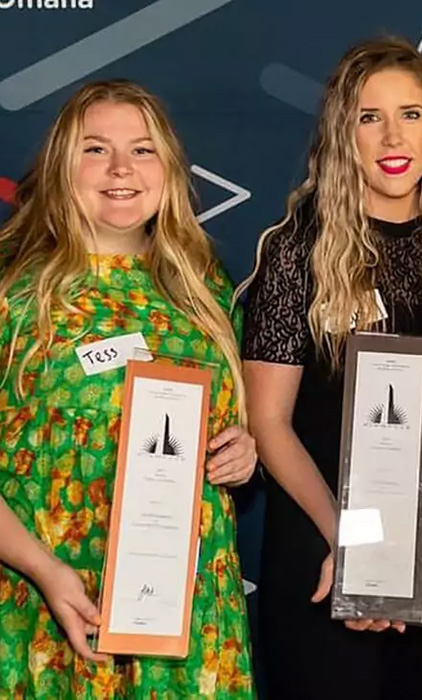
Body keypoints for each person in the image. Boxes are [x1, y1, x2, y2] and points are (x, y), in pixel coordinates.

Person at [240, 37, 422, 700]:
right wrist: (353, 542)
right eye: (370, 116)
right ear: (344, 134)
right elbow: (268, 423)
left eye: (411, 114)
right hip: (325, 535)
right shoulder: (298, 246)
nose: (393, 134)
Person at [0, 80, 256, 698]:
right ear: (63, 165)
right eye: (95, 150)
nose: (121, 169)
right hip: (47, 601)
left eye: (142, 150)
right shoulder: (15, 299)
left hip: (185, 615)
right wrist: (46, 571)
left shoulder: (206, 295)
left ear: (167, 167)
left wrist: (242, 453)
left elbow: (233, 427)